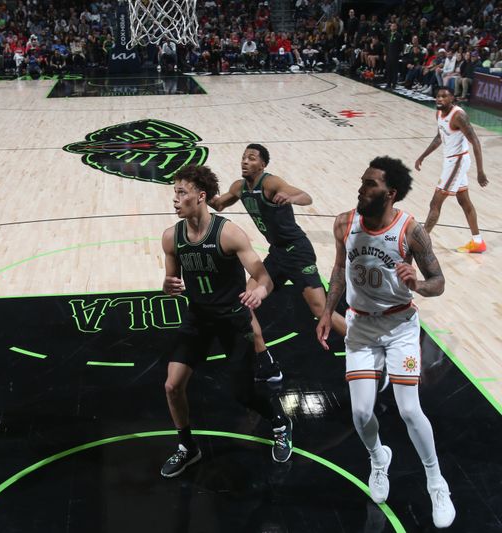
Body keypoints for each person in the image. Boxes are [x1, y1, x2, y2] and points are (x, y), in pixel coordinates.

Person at [316, 156, 455, 529]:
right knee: (361, 413)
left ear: (390, 193)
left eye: (370, 184)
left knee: (409, 410)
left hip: (400, 328)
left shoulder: (411, 231)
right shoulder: (345, 223)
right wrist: (329, 311)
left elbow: (438, 281)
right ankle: (379, 458)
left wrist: (419, 284)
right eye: (362, 182)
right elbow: (338, 269)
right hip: (361, 328)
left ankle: (436, 482)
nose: (360, 189)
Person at [160, 165, 292, 479]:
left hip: (233, 322)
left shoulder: (229, 233)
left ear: (201, 196)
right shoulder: (171, 237)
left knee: (242, 393)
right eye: (174, 193)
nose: (175, 200)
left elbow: (263, 276)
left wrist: (259, 291)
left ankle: (280, 422)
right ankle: (187, 447)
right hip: (198, 319)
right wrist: (167, 286)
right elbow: (171, 280)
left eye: (182, 193)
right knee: (172, 385)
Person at [209, 144, 347, 381]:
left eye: (251, 158)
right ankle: (266, 362)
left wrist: (291, 196)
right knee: (244, 301)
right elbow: (219, 205)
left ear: (262, 165)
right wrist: (201, 190)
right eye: (243, 158)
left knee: (320, 309)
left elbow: (306, 196)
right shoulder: (239, 187)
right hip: (277, 254)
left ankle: (370, 350)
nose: (245, 161)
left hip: (298, 252)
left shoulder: (271, 183)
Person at [415, 86, 489, 253]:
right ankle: (478, 242)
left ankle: (420, 244)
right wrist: (422, 156)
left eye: (444, 96)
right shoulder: (439, 113)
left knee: (435, 202)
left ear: (452, 99)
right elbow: (438, 137)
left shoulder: (458, 116)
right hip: (451, 161)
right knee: (464, 201)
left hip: (458, 161)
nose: (439, 99)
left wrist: (480, 171)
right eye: (438, 96)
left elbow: (475, 141)